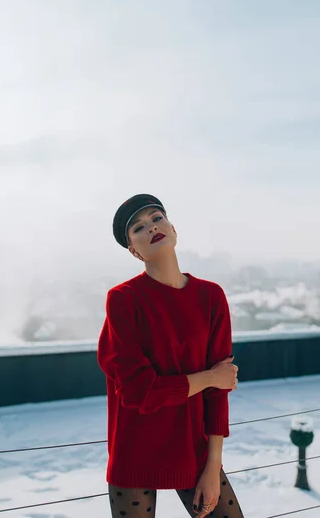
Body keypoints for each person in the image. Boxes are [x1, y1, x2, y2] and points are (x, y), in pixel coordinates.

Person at [97, 194, 244, 518]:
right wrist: (208, 378)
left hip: (193, 450)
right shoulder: (123, 300)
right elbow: (139, 391)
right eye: (138, 227)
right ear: (134, 250)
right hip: (134, 451)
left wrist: (213, 464)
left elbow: (218, 394)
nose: (151, 227)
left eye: (156, 218)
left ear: (173, 230)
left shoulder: (211, 296)